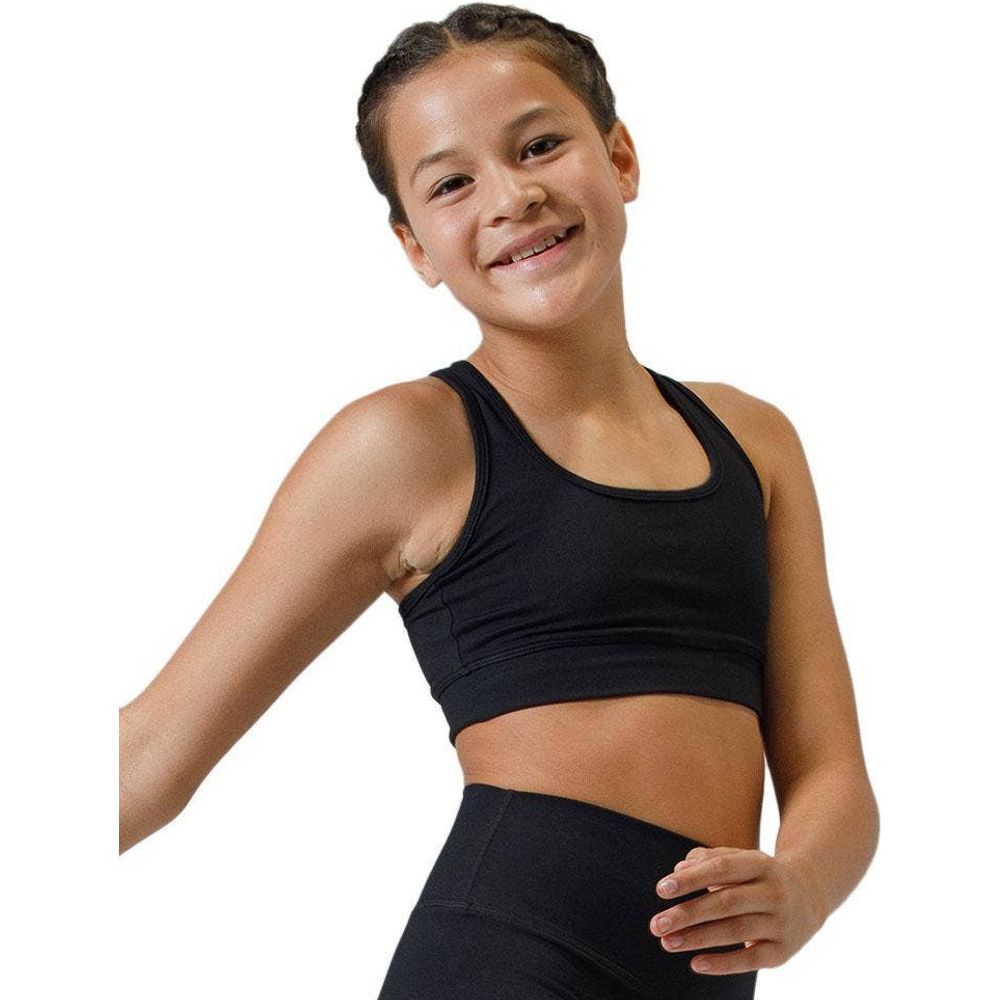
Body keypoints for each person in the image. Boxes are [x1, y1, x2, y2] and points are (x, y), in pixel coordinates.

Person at [119, 4, 879, 997]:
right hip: (503, 964)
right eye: (451, 183)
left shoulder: (754, 441)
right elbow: (153, 751)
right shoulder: (406, 443)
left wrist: (803, 887)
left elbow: (833, 774)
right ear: (416, 248)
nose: (513, 196)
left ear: (620, 158)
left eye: (540, 145)